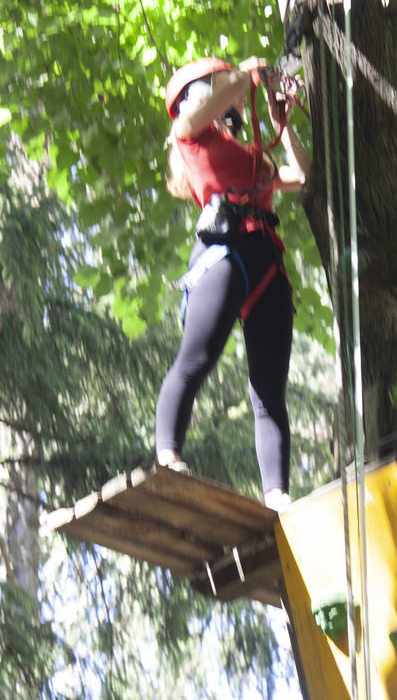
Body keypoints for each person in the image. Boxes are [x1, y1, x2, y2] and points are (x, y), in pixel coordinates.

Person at [155, 56, 311, 512]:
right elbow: (208, 106)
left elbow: (302, 175)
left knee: (269, 389)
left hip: (266, 262)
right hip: (223, 254)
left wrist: (286, 124)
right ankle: (169, 455)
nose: (237, 98)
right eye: (222, 88)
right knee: (196, 360)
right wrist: (242, 75)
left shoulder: (251, 155)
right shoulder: (190, 136)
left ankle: (277, 495)